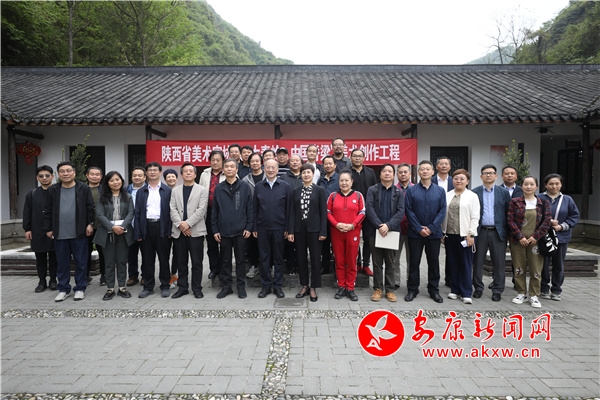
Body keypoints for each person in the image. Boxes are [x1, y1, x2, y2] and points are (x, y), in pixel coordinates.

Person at [44, 161, 95, 302]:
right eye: (62, 171)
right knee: (62, 263)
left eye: (68, 171)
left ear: (74, 173)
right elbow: (47, 211)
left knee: (81, 262)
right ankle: (63, 289)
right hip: (60, 233)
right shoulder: (53, 190)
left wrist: (90, 224)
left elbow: (90, 207)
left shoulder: (83, 188)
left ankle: (80, 288)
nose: (65, 173)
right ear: (58, 174)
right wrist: (48, 228)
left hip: (79, 232)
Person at [405, 160, 447, 303]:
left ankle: (434, 290)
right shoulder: (411, 190)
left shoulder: (440, 191)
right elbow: (409, 211)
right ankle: (412, 290)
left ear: (432, 172)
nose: (425, 171)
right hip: (415, 233)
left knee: (433, 262)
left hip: (433, 234)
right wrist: (418, 228)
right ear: (418, 172)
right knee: (414, 262)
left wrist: (431, 228)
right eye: (422, 169)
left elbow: (442, 211)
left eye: (427, 169)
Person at [507, 176, 552, 308]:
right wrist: (520, 237)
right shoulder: (514, 202)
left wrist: (535, 237)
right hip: (518, 240)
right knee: (518, 267)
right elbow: (510, 220)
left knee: (536, 268)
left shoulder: (543, 203)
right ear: (521, 186)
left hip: (536, 240)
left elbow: (547, 221)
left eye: (532, 184)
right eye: (526, 184)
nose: (528, 187)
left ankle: (534, 295)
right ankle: (521, 292)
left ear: (536, 187)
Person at [212, 159, 253, 299]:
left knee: (241, 261)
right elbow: (215, 210)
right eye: (227, 167)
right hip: (223, 231)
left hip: (241, 231)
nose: (229, 169)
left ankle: (241, 287)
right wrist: (215, 229)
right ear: (223, 170)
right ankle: (226, 287)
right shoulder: (219, 188)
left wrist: (249, 227)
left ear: (237, 169)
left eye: (232, 167)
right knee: (225, 261)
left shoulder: (244, 186)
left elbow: (250, 208)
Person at [288, 163, 327, 302]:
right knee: (301, 258)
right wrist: (291, 231)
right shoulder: (295, 191)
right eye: (303, 172)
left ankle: (313, 287)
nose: (306, 175)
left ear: (313, 174)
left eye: (308, 172)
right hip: (299, 229)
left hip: (315, 229)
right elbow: (292, 211)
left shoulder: (320, 190)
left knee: (316, 259)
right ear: (301, 174)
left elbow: (323, 212)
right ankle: (304, 285)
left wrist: (323, 231)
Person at [366, 164, 405, 302]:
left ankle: (390, 290)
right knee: (377, 263)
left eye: (390, 171)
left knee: (390, 262)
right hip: (375, 231)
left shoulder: (399, 192)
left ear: (393, 174)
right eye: (384, 171)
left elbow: (401, 211)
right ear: (380, 174)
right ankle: (377, 289)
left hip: (392, 232)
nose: (387, 173)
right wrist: (379, 226)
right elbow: (369, 209)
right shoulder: (372, 190)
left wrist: (388, 225)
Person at [253, 159, 292, 299]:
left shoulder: (285, 186)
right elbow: (255, 208)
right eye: (268, 167)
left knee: (278, 258)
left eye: (273, 168)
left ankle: (278, 286)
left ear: (277, 170)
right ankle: (265, 286)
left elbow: (288, 209)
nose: (270, 170)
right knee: (264, 258)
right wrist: (255, 227)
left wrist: (287, 228)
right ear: (264, 169)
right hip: (262, 228)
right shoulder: (259, 186)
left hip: (279, 228)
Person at [472, 164, 511, 302]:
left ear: (496, 176)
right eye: (485, 173)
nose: (488, 175)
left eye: (491, 173)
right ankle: (478, 288)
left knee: (499, 262)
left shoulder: (503, 192)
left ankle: (497, 290)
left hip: (497, 232)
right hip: (480, 231)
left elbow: (508, 213)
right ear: (481, 176)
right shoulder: (475, 192)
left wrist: (508, 233)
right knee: (478, 262)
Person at [94, 171, 135, 300]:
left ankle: (122, 287)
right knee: (109, 262)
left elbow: (131, 213)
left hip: (123, 233)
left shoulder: (128, 197)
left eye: (117, 179)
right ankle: (110, 288)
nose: (115, 182)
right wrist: (112, 227)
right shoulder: (102, 197)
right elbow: (100, 214)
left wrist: (122, 227)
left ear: (121, 181)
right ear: (107, 183)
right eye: (112, 180)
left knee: (122, 261)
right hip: (107, 234)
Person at [134, 162, 173, 299]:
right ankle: (148, 287)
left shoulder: (167, 191)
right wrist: (138, 232)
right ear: (146, 173)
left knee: (164, 259)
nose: (152, 172)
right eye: (149, 170)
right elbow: (137, 213)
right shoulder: (141, 191)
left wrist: (170, 231)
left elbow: (171, 212)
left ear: (160, 172)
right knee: (147, 259)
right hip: (146, 227)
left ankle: (165, 285)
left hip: (162, 227)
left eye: (155, 170)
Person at [170, 163, 208, 299]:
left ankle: (197, 288)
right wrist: (181, 225)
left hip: (195, 231)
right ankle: (183, 287)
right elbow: (172, 209)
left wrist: (187, 224)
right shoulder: (175, 191)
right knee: (181, 262)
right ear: (181, 174)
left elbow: (201, 210)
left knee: (197, 262)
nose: (188, 173)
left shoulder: (202, 190)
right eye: (185, 171)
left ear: (195, 174)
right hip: (179, 232)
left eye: (191, 171)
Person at [441, 169, 480, 304]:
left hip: (465, 235)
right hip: (450, 234)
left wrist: (471, 234)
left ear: (467, 181)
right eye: (456, 178)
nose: (458, 181)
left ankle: (466, 292)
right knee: (453, 263)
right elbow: (443, 215)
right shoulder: (447, 195)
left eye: (462, 179)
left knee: (465, 264)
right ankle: (455, 289)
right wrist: (442, 232)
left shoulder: (472, 196)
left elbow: (475, 216)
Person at [539, 173, 580, 301]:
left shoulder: (567, 200)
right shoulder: (539, 198)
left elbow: (574, 216)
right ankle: (544, 288)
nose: (554, 186)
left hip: (561, 237)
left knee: (558, 264)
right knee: (543, 264)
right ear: (545, 185)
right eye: (551, 184)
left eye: (557, 183)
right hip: (544, 237)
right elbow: (533, 215)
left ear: (561, 185)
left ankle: (556, 290)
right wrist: (546, 223)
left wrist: (561, 226)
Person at [327, 169, 366, 301]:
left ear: (352, 181)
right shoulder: (333, 196)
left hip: (352, 232)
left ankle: (350, 287)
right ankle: (341, 286)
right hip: (336, 232)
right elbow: (328, 212)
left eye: (346, 180)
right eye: (341, 180)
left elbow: (362, 212)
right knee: (339, 260)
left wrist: (352, 225)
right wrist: (336, 224)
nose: (344, 183)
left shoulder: (358, 196)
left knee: (351, 260)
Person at [23, 165, 57, 292]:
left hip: (54, 230)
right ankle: (42, 281)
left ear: (52, 177)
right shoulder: (32, 194)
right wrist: (27, 229)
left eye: (47, 176)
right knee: (40, 258)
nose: (44, 178)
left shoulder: (57, 192)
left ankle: (53, 280)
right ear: (37, 178)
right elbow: (27, 212)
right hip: (37, 230)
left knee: (54, 257)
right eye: (41, 176)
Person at [199, 150, 226, 280]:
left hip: (224, 213)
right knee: (211, 242)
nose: (215, 162)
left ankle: (223, 269)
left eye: (218, 160)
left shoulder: (228, 172)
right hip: (209, 211)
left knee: (225, 242)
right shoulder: (205, 174)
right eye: (213, 160)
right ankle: (214, 268)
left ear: (223, 161)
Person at [350, 148, 377, 276]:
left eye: (360, 156)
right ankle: (357, 263)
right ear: (351, 158)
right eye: (355, 156)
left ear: (364, 158)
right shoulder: (347, 172)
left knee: (368, 239)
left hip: (368, 211)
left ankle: (366, 265)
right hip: (352, 212)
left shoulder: (370, 172)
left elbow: (375, 190)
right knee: (354, 239)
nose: (357, 158)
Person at [431, 156, 453, 288]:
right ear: (436, 167)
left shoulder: (454, 181)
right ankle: (433, 281)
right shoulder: (431, 180)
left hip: (450, 220)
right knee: (434, 255)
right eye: (441, 164)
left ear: (450, 167)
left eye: (446, 164)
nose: (444, 166)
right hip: (433, 220)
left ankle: (449, 278)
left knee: (450, 253)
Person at [242, 152, 264, 279]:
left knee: (267, 243)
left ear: (261, 162)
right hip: (250, 214)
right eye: (252, 161)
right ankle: (254, 265)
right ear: (249, 163)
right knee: (252, 243)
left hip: (266, 214)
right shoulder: (245, 180)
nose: (255, 163)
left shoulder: (268, 176)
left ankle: (268, 266)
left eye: (257, 161)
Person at [392, 163, 413, 290]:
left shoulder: (415, 189)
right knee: (394, 258)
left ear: (410, 173)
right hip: (396, 229)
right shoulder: (393, 189)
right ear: (397, 174)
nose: (403, 174)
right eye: (400, 172)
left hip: (412, 229)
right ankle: (395, 281)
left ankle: (411, 281)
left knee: (412, 259)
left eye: (405, 172)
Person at [318, 155, 339, 274]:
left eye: (330, 163)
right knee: (324, 243)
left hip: (336, 216)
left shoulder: (339, 179)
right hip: (323, 216)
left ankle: (337, 267)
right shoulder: (320, 180)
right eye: (326, 164)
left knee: (336, 243)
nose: (328, 166)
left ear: (335, 165)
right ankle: (325, 266)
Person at [126, 166, 146, 286]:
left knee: (146, 253)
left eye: (140, 175)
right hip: (129, 226)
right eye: (135, 175)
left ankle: (145, 275)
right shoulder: (125, 190)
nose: (137, 177)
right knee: (131, 253)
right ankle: (133, 276)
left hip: (144, 226)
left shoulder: (149, 190)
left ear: (144, 177)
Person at [85, 166, 106, 285]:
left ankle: (104, 276)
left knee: (103, 252)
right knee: (85, 252)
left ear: (101, 176)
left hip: (101, 226)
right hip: (85, 227)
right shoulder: (82, 189)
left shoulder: (105, 190)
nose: (94, 176)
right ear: (87, 175)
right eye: (92, 174)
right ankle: (85, 276)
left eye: (97, 174)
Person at [163, 168, 179, 288]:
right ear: (165, 179)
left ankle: (174, 275)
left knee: (177, 253)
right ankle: (166, 277)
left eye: (173, 176)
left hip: (178, 227)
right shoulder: (162, 192)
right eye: (168, 177)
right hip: (165, 227)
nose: (171, 178)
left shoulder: (179, 191)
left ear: (177, 178)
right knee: (165, 254)